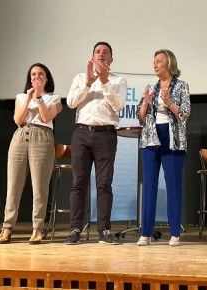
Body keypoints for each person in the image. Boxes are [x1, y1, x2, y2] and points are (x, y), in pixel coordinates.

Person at [65, 41, 126, 245]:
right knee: (78, 184)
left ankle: (104, 230)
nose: (101, 55)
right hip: (81, 133)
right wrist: (89, 83)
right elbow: (71, 103)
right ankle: (75, 229)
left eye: (105, 52)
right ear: (92, 58)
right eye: (98, 52)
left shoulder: (118, 81)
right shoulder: (80, 78)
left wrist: (104, 81)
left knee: (104, 185)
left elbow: (118, 105)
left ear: (111, 59)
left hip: (105, 135)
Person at [0, 63, 62, 245]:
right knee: (14, 186)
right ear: (29, 78)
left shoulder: (54, 98)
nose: (36, 77)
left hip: (42, 136)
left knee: (39, 187)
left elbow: (47, 118)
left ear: (46, 78)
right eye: (33, 74)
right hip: (21, 135)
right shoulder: (20, 96)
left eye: (41, 74)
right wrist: (28, 98)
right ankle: (7, 227)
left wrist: (39, 97)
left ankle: (37, 228)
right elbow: (18, 119)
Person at [136, 49, 190, 246]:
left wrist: (170, 104)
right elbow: (140, 117)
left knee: (173, 186)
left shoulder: (182, 86)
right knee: (149, 186)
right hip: (150, 138)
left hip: (173, 139)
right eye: (154, 61)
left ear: (169, 64)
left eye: (159, 61)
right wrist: (146, 104)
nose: (155, 64)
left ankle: (175, 233)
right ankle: (146, 233)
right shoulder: (151, 87)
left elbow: (185, 114)